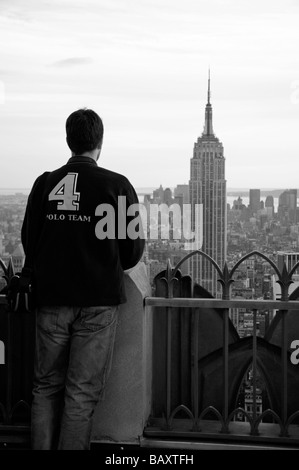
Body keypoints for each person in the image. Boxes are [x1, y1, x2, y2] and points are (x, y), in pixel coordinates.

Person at [21, 108, 145, 450]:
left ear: (68, 141)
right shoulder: (117, 186)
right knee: (81, 394)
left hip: (51, 300)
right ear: (100, 143)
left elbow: (29, 240)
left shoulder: (44, 183)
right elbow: (132, 253)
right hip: (97, 301)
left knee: (45, 388)